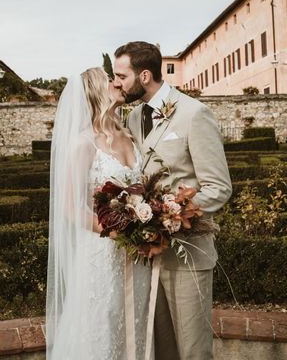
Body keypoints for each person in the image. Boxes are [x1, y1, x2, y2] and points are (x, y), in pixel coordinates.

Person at [113, 42, 232, 360]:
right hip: (147, 255)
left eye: (121, 76)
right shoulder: (135, 117)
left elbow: (219, 187)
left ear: (145, 75)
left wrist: (169, 214)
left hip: (188, 254)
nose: (116, 83)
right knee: (160, 348)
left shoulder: (195, 114)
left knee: (192, 349)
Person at [46, 67, 155, 360]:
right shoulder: (83, 142)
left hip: (137, 251)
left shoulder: (130, 135)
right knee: (103, 323)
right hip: (102, 251)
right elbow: (69, 208)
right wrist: (116, 229)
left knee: (135, 321)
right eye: (110, 79)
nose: (118, 83)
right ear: (95, 90)